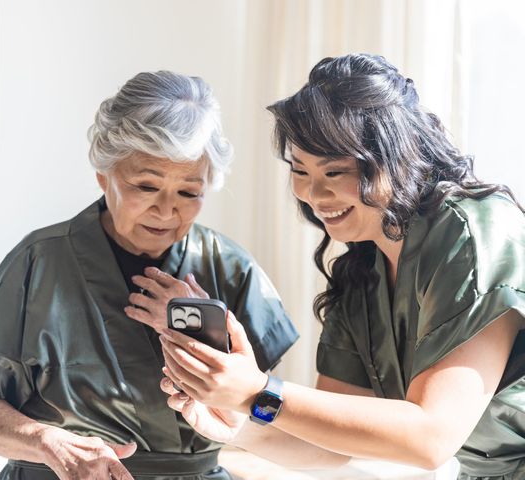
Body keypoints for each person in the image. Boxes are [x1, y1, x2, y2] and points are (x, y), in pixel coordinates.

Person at [148, 54, 525, 479]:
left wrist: (259, 390)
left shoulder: (473, 230)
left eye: (335, 171)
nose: (314, 193)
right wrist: (237, 423)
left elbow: (431, 437)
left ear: (395, 157)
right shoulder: (362, 269)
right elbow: (334, 449)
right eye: (300, 170)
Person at [0, 70, 300, 480]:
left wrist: (201, 346)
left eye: (189, 192)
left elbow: (273, 415)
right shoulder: (38, 261)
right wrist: (47, 443)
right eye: (146, 187)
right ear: (104, 175)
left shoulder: (230, 267)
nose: (167, 211)